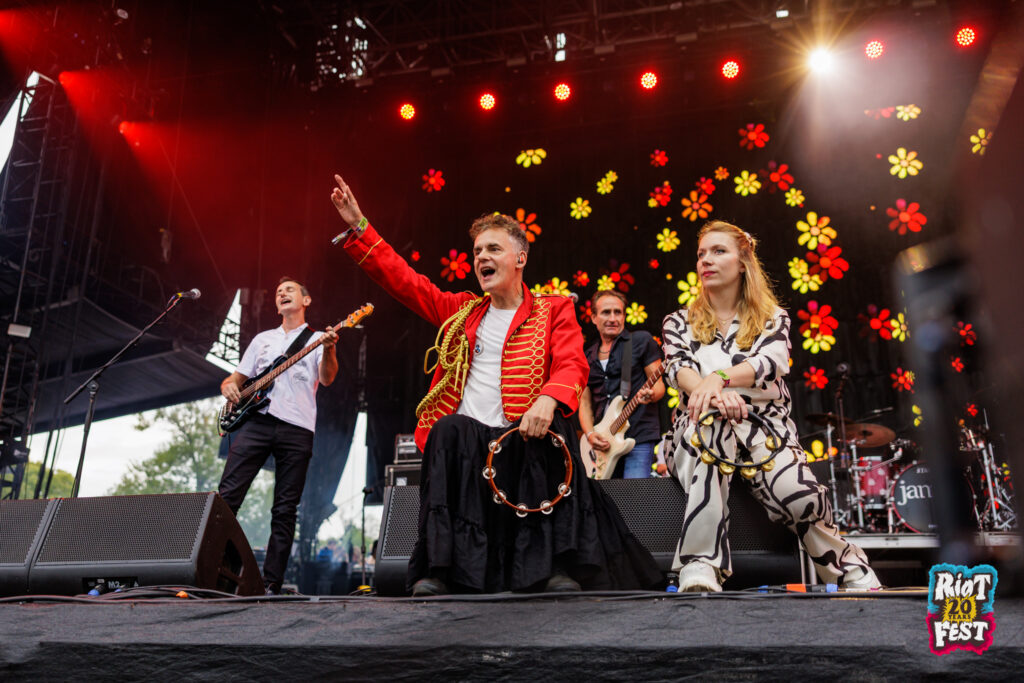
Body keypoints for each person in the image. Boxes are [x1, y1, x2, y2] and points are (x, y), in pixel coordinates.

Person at [330, 174, 662, 596]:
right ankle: (440, 570)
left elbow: (572, 364)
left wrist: (548, 399)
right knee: (446, 429)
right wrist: (360, 227)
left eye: (493, 249)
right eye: (477, 251)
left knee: (550, 428)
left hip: (523, 433)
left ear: (520, 258)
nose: (481, 257)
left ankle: (551, 567)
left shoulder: (553, 309)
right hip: (472, 440)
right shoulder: (462, 311)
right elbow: (406, 282)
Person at [660, 220, 880, 592]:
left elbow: (770, 363)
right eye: (701, 254)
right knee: (712, 429)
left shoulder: (772, 318)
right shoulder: (678, 322)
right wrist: (715, 393)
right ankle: (699, 564)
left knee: (800, 496)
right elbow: (677, 370)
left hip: (765, 430)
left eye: (718, 251)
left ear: (743, 261)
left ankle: (847, 568)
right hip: (699, 427)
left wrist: (720, 378)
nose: (705, 261)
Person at [218, 277, 338, 595]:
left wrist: (329, 349)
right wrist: (228, 387)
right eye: (278, 292)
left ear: (306, 300)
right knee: (226, 499)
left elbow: (327, 378)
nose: (282, 293)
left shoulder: (317, 339)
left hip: (297, 427)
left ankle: (272, 583)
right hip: (257, 422)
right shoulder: (263, 340)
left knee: (285, 509)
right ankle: (218, 573)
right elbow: (235, 379)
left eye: (290, 290)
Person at [579, 289, 665, 478]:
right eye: (606, 312)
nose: (612, 318)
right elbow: (584, 403)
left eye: (617, 312)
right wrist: (590, 435)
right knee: (605, 495)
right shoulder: (587, 356)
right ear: (593, 318)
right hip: (604, 441)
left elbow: (658, 386)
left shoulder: (641, 341)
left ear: (624, 316)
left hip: (638, 435)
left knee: (633, 493)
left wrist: (651, 395)